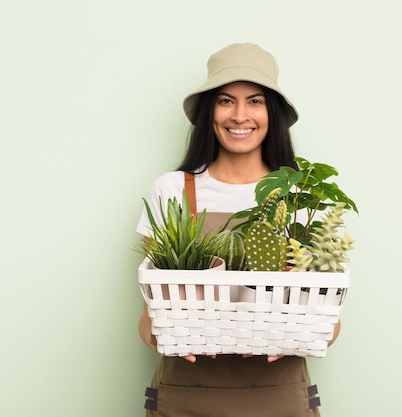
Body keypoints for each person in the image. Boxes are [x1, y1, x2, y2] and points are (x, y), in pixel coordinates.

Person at [136, 42, 340, 417]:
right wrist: (172, 328)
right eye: (226, 100)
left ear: (272, 113)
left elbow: (329, 327)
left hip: (279, 397)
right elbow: (149, 325)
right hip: (187, 396)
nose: (240, 115)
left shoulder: (299, 198)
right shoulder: (172, 190)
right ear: (209, 111)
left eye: (256, 101)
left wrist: (284, 330)